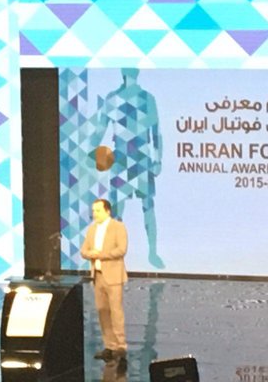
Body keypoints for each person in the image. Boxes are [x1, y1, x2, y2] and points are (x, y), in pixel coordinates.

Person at [92, 68, 164, 268]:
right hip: (122, 158)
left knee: (147, 206)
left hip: (140, 158)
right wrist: (90, 152)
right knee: (117, 209)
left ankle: (152, 252)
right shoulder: (114, 98)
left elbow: (156, 132)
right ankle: (117, 255)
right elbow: (101, 129)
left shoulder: (147, 98)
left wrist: (158, 159)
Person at [81, 199, 128, 362]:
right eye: (93, 211)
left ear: (107, 211)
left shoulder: (118, 227)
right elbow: (84, 251)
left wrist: (100, 254)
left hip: (113, 276)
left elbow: (121, 250)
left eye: (98, 210)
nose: (95, 214)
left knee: (116, 311)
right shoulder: (92, 229)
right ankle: (109, 346)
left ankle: (121, 346)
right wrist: (91, 254)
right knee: (102, 311)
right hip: (98, 275)